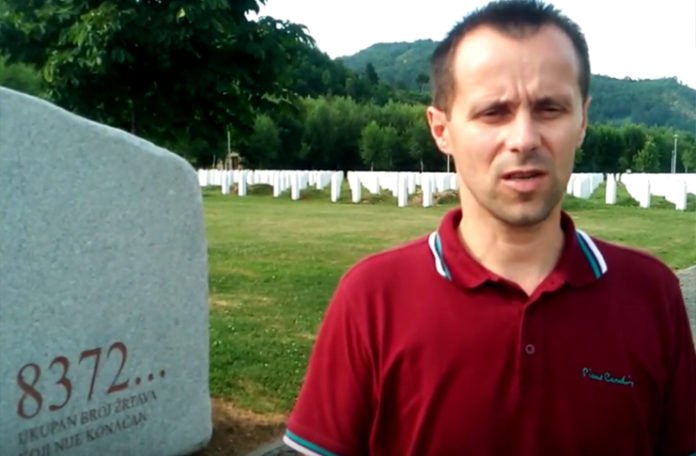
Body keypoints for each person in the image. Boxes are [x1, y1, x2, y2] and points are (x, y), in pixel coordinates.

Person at [282, 1, 696, 454]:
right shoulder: (371, 298)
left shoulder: (651, 293)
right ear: (441, 129)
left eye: (550, 108)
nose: (524, 139)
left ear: (582, 120)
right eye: (493, 112)